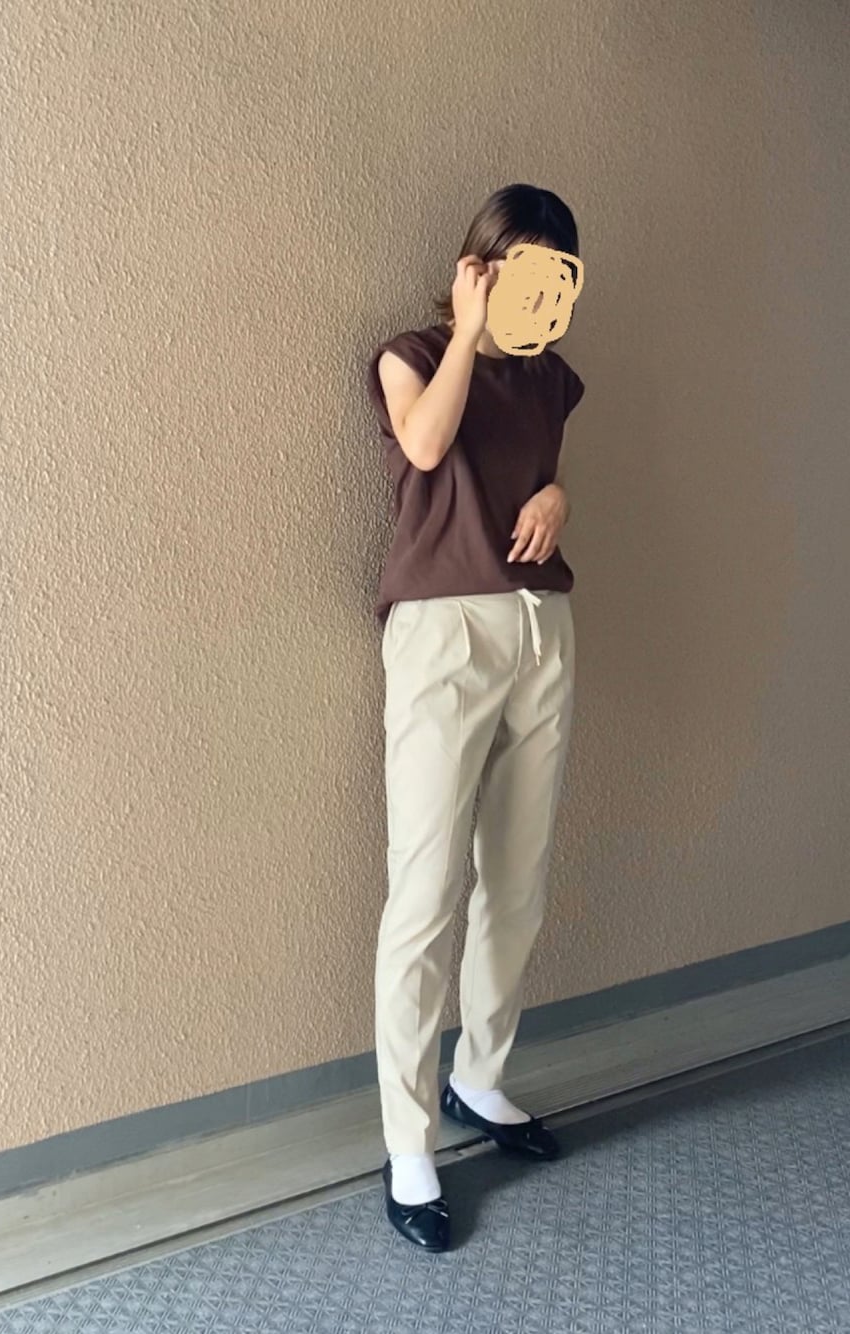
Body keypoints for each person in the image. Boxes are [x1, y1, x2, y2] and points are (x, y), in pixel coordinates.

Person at [365, 184, 586, 1252]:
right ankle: (407, 1143)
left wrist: (558, 499)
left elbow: (538, 480)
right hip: (443, 632)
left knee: (518, 875)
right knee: (424, 888)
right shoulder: (409, 353)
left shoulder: (551, 378)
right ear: (480, 261)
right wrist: (465, 330)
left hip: (541, 625)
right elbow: (423, 446)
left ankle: (481, 1077)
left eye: (554, 271)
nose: (534, 288)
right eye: (516, 264)